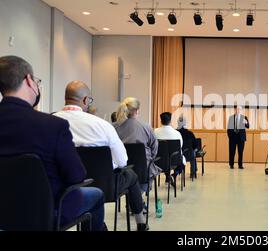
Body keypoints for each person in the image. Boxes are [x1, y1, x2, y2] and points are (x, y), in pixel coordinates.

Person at [0, 56, 105, 231]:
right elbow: (76, 176)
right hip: (47, 211)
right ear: (29, 80)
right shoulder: (52, 125)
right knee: (96, 195)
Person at [53, 81, 148, 231]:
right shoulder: (102, 125)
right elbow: (122, 160)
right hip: (104, 185)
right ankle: (141, 222)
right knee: (131, 174)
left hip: (65, 187)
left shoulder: (50, 122)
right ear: (85, 100)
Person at [114, 97, 161, 192]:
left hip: (121, 169)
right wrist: (151, 158)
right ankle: (138, 200)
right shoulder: (145, 126)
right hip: (142, 168)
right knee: (151, 169)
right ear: (137, 110)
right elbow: (154, 146)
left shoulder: (114, 127)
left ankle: (134, 201)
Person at [154, 112, 186, 184]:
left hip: (159, 161)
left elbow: (153, 146)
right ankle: (174, 174)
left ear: (161, 121)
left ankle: (168, 176)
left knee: (165, 158)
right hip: (175, 160)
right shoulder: (177, 133)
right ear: (170, 121)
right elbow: (180, 146)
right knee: (181, 162)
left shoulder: (155, 132)